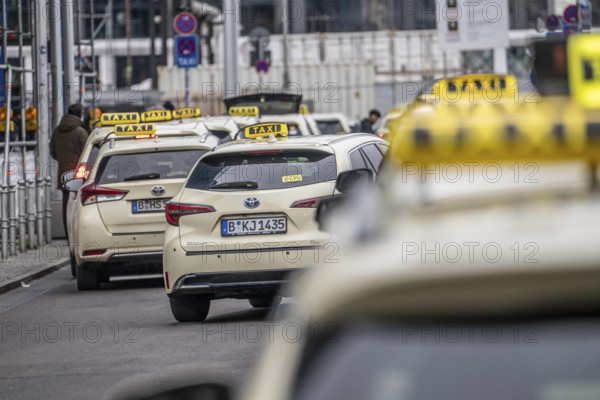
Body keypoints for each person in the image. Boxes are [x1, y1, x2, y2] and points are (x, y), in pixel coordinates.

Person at [50, 103, 88, 237]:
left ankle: (68, 234)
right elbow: (87, 154)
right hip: (80, 175)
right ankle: (80, 234)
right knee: (82, 204)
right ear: (80, 114)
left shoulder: (56, 131)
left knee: (66, 205)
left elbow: (52, 152)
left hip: (64, 174)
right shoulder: (80, 132)